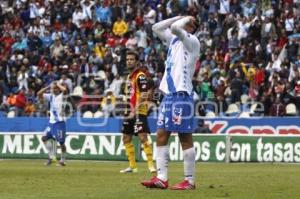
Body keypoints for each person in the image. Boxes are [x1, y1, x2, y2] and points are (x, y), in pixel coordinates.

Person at [141, 16, 200, 190]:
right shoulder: (174, 40)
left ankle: (189, 181)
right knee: (161, 134)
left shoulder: (192, 41)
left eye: (189, 23)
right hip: (169, 96)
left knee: (184, 137)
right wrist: (180, 17)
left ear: (193, 27)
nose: (186, 23)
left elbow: (174, 27)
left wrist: (185, 19)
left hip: (182, 94)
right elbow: (156, 27)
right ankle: (161, 178)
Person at [120, 50, 156, 173]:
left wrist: (134, 111)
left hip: (139, 111)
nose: (129, 61)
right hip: (129, 111)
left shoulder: (140, 76)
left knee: (142, 137)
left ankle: (151, 165)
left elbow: (144, 94)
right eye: (127, 59)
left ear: (136, 62)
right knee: (126, 138)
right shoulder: (129, 77)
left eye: (131, 59)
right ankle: (132, 166)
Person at [37, 81, 68, 166]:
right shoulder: (50, 96)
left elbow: (65, 90)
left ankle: (63, 160)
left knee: (61, 143)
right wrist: (47, 87)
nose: (54, 90)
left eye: (56, 89)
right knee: (44, 138)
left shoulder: (62, 96)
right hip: (51, 122)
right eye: (53, 89)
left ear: (58, 89)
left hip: (60, 122)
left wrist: (57, 84)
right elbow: (38, 93)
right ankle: (52, 157)